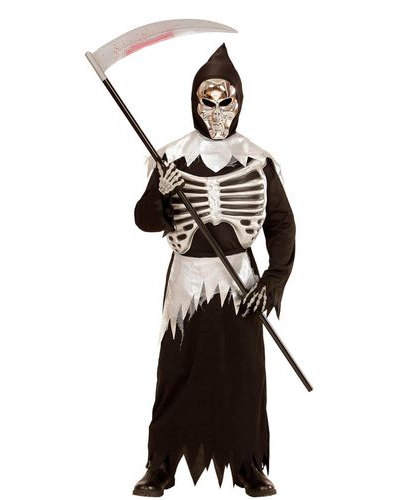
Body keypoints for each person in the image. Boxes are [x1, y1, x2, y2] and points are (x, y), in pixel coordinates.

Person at [132, 44, 296, 497]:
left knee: (244, 373)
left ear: (239, 103)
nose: (218, 112)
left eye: (226, 102)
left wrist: (274, 279)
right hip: (186, 279)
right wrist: (161, 193)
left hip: (241, 280)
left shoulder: (257, 161)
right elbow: (145, 221)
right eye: (209, 102)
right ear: (195, 103)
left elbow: (281, 224)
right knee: (177, 371)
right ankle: (161, 464)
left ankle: (247, 464)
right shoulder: (172, 158)